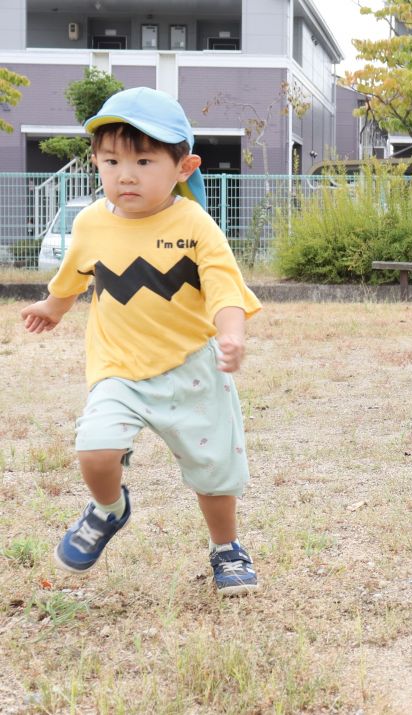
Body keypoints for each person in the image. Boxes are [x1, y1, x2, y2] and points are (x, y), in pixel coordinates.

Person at [19, 87, 263, 595]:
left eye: (144, 160)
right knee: (95, 449)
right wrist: (52, 307)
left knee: (213, 473)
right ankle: (109, 509)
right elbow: (72, 278)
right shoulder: (89, 223)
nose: (125, 174)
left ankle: (226, 548)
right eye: (111, 161)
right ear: (96, 164)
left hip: (192, 367)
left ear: (182, 165)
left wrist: (232, 335)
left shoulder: (195, 223)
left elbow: (224, 287)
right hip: (119, 370)